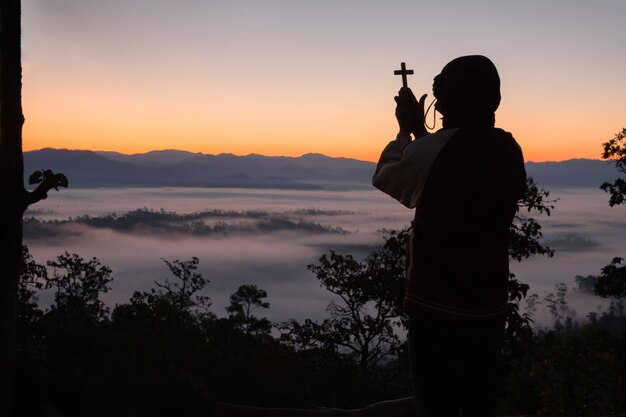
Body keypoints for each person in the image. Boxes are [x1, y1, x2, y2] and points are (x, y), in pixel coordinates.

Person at [372, 55, 527, 417]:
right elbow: (450, 156)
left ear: (446, 100)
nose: (437, 104)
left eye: (441, 96)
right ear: (494, 100)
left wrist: (405, 131)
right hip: (489, 306)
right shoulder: (508, 149)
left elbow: (387, 175)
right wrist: (426, 138)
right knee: (479, 404)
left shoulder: (432, 151)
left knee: (436, 406)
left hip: (435, 308)